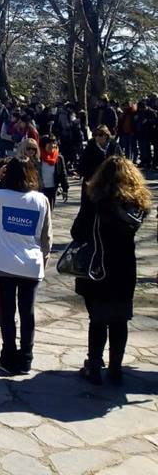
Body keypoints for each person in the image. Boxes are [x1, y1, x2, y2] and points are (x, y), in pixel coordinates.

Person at [72, 156, 151, 385]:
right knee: (120, 319)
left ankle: (94, 365)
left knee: (97, 319)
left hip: (98, 264)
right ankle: (116, 368)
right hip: (124, 267)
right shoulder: (137, 205)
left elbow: (77, 231)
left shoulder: (95, 200)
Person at [0, 158, 53, 375]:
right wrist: (45, 257)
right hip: (31, 264)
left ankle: (8, 355)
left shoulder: (0, 197)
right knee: (28, 313)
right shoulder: (41, 200)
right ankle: (26, 358)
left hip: (5, 263)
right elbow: (47, 236)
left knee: (7, 313)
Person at [78, 126, 120, 201]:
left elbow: (121, 161)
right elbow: (82, 164)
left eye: (100, 135)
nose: (97, 137)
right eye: (95, 135)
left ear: (106, 135)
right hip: (93, 181)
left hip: (110, 181)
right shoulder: (90, 147)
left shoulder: (114, 146)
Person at [38, 134, 69, 209]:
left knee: (49, 211)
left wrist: (65, 189)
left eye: (54, 143)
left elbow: (63, 174)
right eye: (49, 144)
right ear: (43, 145)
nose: (52, 146)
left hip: (52, 189)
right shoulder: (37, 158)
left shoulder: (59, 158)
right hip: (39, 189)